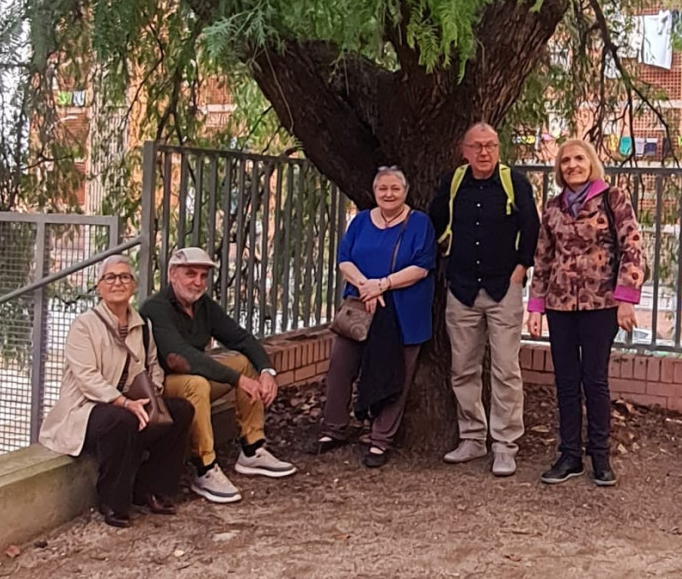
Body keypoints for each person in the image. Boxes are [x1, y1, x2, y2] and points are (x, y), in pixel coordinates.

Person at [525, 138, 645, 488]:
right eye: (565, 161)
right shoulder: (553, 207)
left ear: (591, 163)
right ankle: (569, 455)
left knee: (594, 379)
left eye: (579, 158)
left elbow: (632, 246)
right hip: (560, 305)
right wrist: (535, 307)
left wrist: (626, 298)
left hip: (601, 304)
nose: (572, 165)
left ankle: (600, 456)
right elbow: (543, 258)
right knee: (565, 381)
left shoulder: (613, 198)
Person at [39, 255, 192, 528]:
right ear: (99, 286)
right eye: (110, 277)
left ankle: (151, 489)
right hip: (86, 409)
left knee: (181, 411)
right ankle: (113, 502)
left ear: (134, 285)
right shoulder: (84, 325)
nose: (117, 282)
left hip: (130, 403)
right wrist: (123, 402)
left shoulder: (143, 326)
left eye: (124, 277)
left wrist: (151, 398)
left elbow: (153, 366)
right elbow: (87, 377)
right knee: (121, 420)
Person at [141, 246, 295, 504]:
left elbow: (240, 338)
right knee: (197, 384)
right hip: (160, 386)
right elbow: (181, 358)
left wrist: (267, 371)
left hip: (194, 378)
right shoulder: (155, 308)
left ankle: (252, 448)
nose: (198, 282)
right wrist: (237, 380)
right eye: (190, 274)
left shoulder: (203, 306)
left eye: (203, 276)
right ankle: (205, 467)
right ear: (172, 275)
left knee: (243, 362)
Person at [428, 121, 539, 477]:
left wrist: (521, 268)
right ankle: (473, 437)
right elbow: (435, 222)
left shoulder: (514, 182)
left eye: (490, 145)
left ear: (498, 148)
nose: (484, 152)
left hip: (503, 288)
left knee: (506, 370)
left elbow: (532, 227)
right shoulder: (453, 182)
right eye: (476, 146)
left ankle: (505, 445)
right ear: (464, 151)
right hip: (461, 288)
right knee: (463, 369)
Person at [317, 165, 435, 467]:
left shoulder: (419, 223)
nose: (388, 193)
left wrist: (382, 285)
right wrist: (366, 287)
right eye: (383, 188)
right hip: (360, 307)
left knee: (396, 373)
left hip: (404, 310)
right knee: (340, 365)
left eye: (395, 188)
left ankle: (380, 439)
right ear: (374, 191)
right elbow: (344, 260)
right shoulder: (360, 221)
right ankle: (334, 428)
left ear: (405, 191)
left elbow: (422, 267)